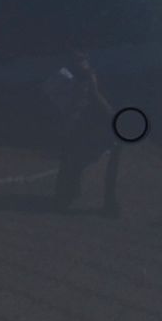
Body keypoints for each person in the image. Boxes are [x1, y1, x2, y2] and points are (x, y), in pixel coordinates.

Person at [46, 50, 121, 214]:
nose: (83, 62)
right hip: (76, 123)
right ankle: (69, 193)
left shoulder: (80, 75)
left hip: (81, 123)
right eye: (79, 59)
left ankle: (71, 193)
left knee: (75, 157)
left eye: (84, 58)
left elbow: (93, 95)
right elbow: (92, 96)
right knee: (73, 157)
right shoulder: (67, 77)